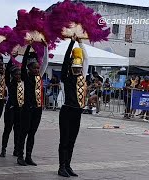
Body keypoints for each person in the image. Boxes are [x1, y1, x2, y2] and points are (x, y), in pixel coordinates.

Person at [57, 38, 88, 177]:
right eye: (75, 68)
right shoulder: (66, 79)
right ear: (71, 68)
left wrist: (80, 43)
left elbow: (86, 59)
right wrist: (71, 43)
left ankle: (68, 165)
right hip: (66, 111)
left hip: (77, 113)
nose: (78, 70)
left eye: (79, 68)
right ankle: (61, 166)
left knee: (72, 141)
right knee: (64, 139)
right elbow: (65, 62)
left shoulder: (83, 78)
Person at [17, 41, 48, 166]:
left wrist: (46, 46)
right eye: (34, 68)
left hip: (37, 109)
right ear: (29, 68)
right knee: (23, 132)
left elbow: (45, 62)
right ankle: (20, 156)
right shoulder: (25, 76)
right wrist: (29, 46)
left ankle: (29, 156)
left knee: (32, 133)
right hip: (26, 109)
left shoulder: (39, 76)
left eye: (37, 67)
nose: (36, 69)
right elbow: (24, 63)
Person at [0, 59, 23, 157]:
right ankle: (3, 149)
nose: (18, 76)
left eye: (19, 74)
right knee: (8, 129)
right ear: (13, 75)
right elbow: (6, 73)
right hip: (10, 109)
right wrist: (11, 58)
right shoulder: (10, 83)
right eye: (16, 74)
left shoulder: (22, 83)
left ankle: (16, 149)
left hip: (19, 110)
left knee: (17, 130)